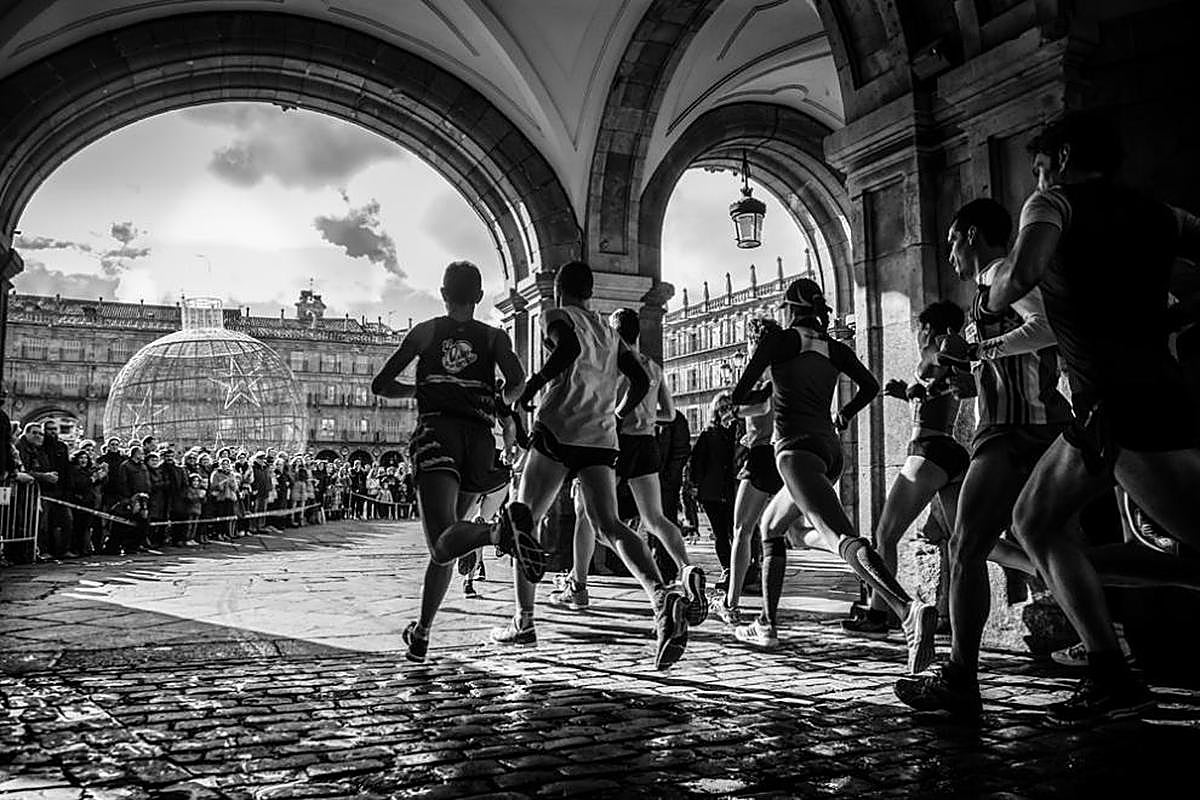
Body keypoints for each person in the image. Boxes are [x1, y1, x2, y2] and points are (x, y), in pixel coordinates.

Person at [974, 113, 1200, 726]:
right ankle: (1110, 673)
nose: (1037, 178)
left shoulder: (1054, 204)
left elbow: (1023, 273)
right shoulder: (1164, 215)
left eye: (1041, 165)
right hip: (1128, 400)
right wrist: (1174, 319)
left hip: (1119, 405)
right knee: (1032, 521)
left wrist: (990, 301)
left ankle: (1115, 672)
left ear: (1065, 157)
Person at [894, 196, 1074, 719]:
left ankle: (960, 678)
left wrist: (977, 352)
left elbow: (1047, 328)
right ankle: (1108, 648)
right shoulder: (985, 294)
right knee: (1054, 547)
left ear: (971, 235)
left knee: (967, 547)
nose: (949, 252)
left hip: (1013, 432)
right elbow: (1008, 366)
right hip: (1032, 427)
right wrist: (966, 375)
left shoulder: (1003, 277)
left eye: (952, 240)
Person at [729, 279, 937, 674]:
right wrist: (844, 414)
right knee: (771, 527)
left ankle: (906, 609)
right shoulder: (835, 348)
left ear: (790, 309)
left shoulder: (780, 341)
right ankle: (766, 625)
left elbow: (740, 395)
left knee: (841, 537)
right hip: (830, 450)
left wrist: (761, 389)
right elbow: (870, 386)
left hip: (795, 452)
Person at [498, 260, 691, 670]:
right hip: (600, 437)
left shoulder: (557, 316)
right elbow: (640, 381)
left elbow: (567, 348)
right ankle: (661, 598)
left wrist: (533, 386)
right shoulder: (608, 331)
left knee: (525, 519)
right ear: (591, 293)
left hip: (557, 428)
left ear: (559, 290)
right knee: (610, 525)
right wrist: (616, 416)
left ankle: (524, 621)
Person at [371, 260, 541, 663]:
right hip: (478, 443)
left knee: (441, 543)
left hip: (437, 437)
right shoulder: (495, 337)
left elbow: (381, 384)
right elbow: (518, 383)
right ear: (479, 296)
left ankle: (497, 534)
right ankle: (422, 632)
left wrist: (421, 390)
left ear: (443, 294)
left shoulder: (425, 331)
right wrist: (498, 401)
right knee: (450, 538)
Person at [549, 308, 707, 623]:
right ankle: (687, 569)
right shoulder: (653, 367)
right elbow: (670, 414)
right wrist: (645, 417)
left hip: (616, 443)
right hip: (646, 444)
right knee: (656, 518)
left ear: (615, 332)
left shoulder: (612, 364)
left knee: (587, 514)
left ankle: (578, 586)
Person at [841, 302, 977, 636]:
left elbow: (952, 371)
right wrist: (910, 393)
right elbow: (943, 392)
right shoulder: (940, 356)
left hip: (927, 453)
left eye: (919, 328)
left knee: (885, 535)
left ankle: (879, 613)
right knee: (967, 542)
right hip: (951, 453)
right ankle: (1035, 565)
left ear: (927, 328)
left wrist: (929, 381)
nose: (917, 334)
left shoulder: (935, 350)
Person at [714, 317, 805, 626]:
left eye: (749, 342)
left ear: (755, 342)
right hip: (781, 453)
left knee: (742, 529)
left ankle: (731, 604)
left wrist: (734, 410)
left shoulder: (764, 370)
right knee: (796, 532)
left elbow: (763, 404)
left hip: (761, 457)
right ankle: (856, 555)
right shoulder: (788, 369)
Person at [689, 394, 738, 589]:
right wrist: (695, 486)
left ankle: (745, 570)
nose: (726, 411)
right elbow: (697, 462)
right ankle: (727, 570)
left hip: (734, 489)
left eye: (729, 407)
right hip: (712, 492)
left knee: (738, 532)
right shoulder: (708, 434)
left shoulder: (739, 431)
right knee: (720, 534)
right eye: (722, 408)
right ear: (715, 412)